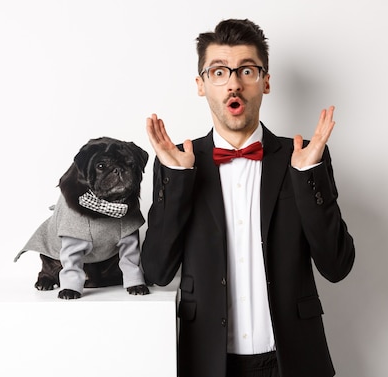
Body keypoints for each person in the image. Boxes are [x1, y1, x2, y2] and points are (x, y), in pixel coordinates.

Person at [141, 19, 355, 377]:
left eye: (247, 71)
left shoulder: (301, 158)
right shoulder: (178, 162)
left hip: (294, 364)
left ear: (265, 81)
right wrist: (178, 180)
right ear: (201, 84)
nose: (234, 83)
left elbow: (337, 266)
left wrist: (306, 176)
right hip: (207, 364)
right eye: (219, 72)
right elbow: (158, 271)